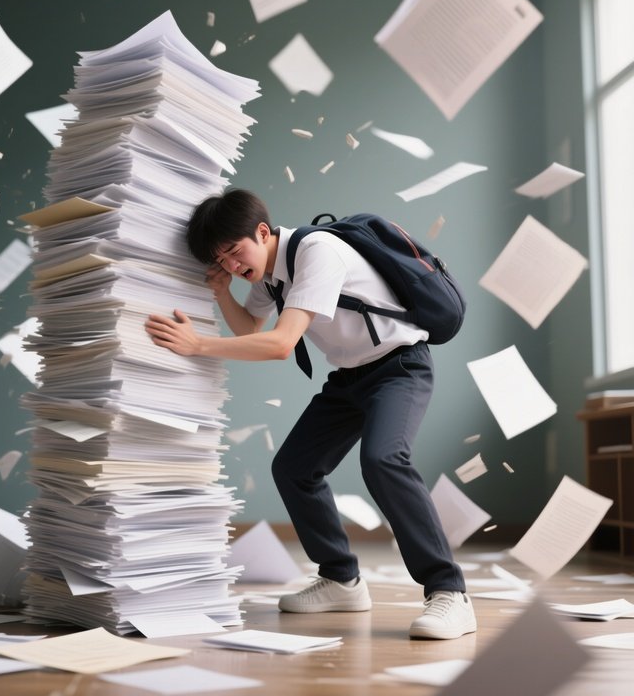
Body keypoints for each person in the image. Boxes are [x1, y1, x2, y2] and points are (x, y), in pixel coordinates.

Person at [144, 188, 476, 640]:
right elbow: (251, 326)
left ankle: (449, 592)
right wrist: (224, 293)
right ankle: (342, 580)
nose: (233, 267)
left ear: (262, 232)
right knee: (295, 468)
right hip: (351, 378)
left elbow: (280, 345)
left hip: (400, 367)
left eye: (234, 254)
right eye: (221, 261)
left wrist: (199, 345)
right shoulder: (268, 274)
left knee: (383, 459)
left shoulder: (318, 251)